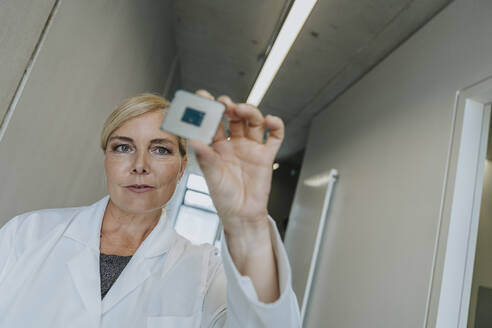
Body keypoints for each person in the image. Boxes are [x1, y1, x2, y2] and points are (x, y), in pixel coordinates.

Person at [0, 90, 301, 327]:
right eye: (123, 147)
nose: (140, 166)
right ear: (106, 158)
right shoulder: (26, 235)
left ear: (182, 168)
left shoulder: (205, 273)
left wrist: (247, 225)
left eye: (160, 149)